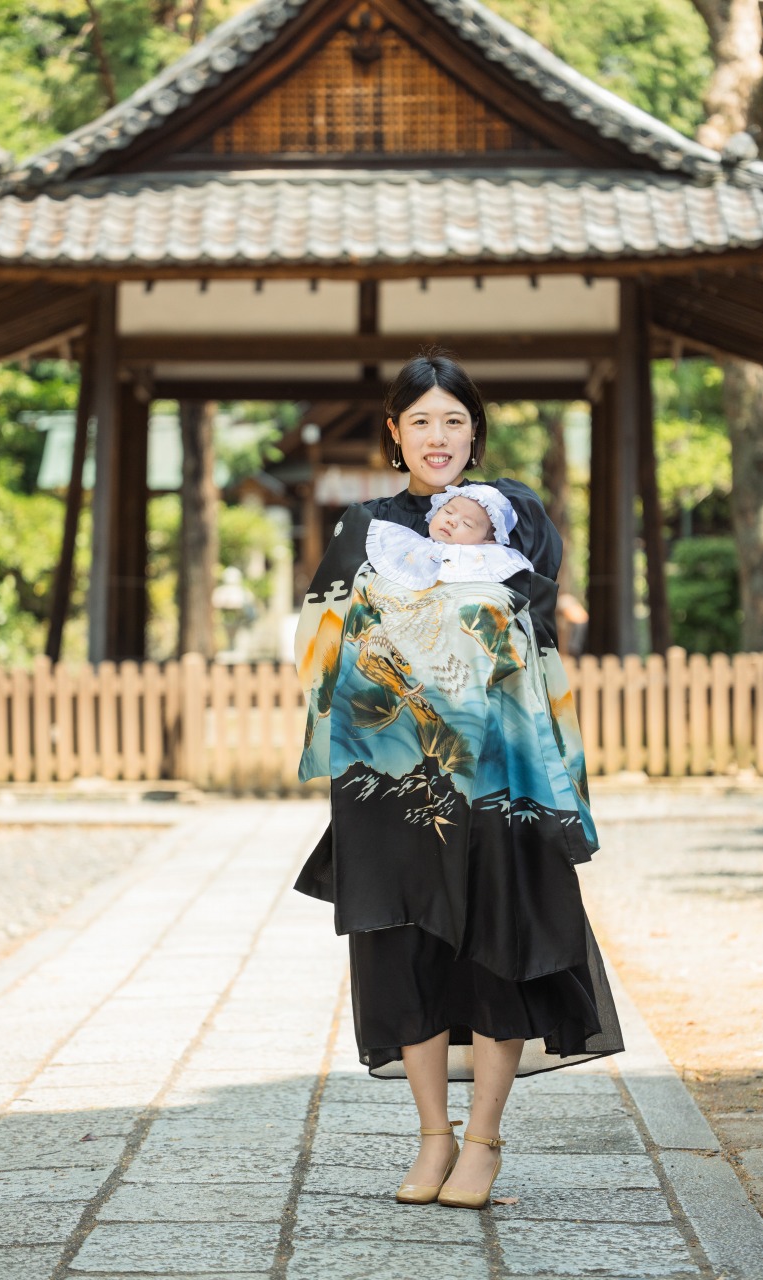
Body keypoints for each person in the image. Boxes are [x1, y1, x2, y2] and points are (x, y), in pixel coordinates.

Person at [294, 351, 623, 1211]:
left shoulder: (511, 514)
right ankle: (432, 1136)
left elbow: (537, 609)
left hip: (497, 781)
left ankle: (483, 1141)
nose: (436, 437)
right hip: (391, 783)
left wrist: (485, 515)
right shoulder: (362, 526)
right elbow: (317, 646)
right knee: (405, 953)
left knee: (497, 949)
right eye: (419, 421)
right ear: (393, 434)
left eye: (452, 421)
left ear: (474, 434)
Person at [366, 483, 536, 588]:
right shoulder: (412, 545)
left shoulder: (487, 561)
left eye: (467, 524)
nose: (452, 521)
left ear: (488, 541)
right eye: (448, 511)